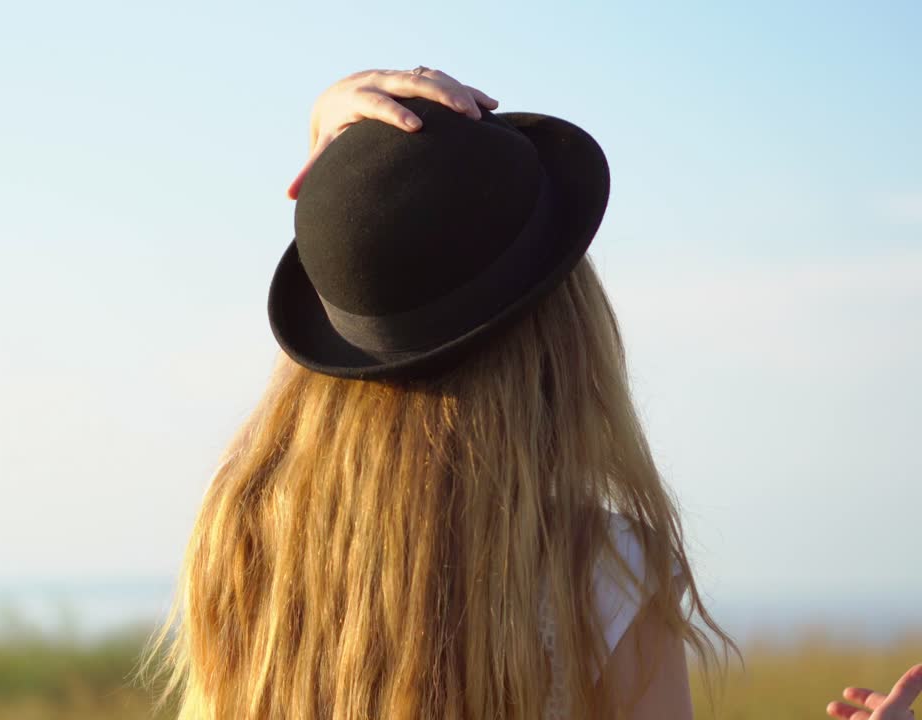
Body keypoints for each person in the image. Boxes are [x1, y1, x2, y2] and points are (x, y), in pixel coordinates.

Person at [135, 67, 920, 720]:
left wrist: (349, 188)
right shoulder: (598, 573)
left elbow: (379, 276)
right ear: (566, 339)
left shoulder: (244, 542)